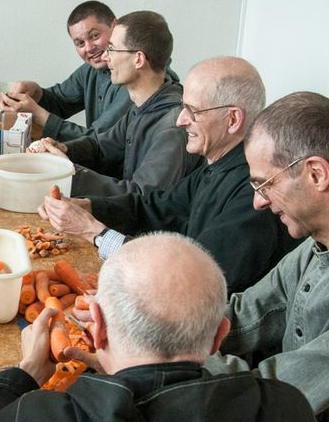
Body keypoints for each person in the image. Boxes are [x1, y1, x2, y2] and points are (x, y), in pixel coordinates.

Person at [0, 233, 315, 422]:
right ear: (219, 338)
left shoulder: (38, 420)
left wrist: (22, 373)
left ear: (97, 326)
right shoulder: (285, 411)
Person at [40, 57, 299, 293]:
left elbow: (192, 280)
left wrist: (94, 232)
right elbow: (156, 207)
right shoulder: (217, 164)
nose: (180, 121)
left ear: (232, 119)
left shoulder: (254, 193)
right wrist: (90, 207)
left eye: (192, 111)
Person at [203, 92, 329, 422]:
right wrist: (149, 325)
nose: (258, 202)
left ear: (315, 173)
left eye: (264, 184)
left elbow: (275, 394)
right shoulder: (316, 244)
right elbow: (242, 315)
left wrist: (147, 355)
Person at [32, 10, 198, 197]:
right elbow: (101, 147)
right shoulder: (141, 108)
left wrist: (68, 172)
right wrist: (63, 149)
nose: (105, 57)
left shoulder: (172, 127)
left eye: (112, 49)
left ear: (138, 59)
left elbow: (141, 198)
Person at [0, 0, 177, 141]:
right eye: (79, 43)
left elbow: (100, 140)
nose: (90, 48)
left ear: (115, 26)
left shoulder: (136, 81)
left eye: (94, 36)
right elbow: (61, 101)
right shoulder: (90, 70)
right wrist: (36, 92)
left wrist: (38, 115)